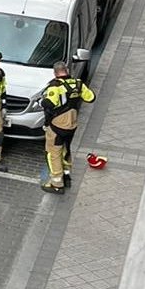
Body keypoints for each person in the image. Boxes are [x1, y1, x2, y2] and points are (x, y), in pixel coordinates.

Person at [41, 61, 96, 194]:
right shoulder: (78, 83)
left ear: (55, 73)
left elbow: (48, 104)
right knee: (66, 150)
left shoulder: (55, 86)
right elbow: (91, 98)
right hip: (72, 125)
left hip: (57, 126)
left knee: (53, 153)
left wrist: (42, 100)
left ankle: (56, 183)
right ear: (66, 70)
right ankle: (66, 176)